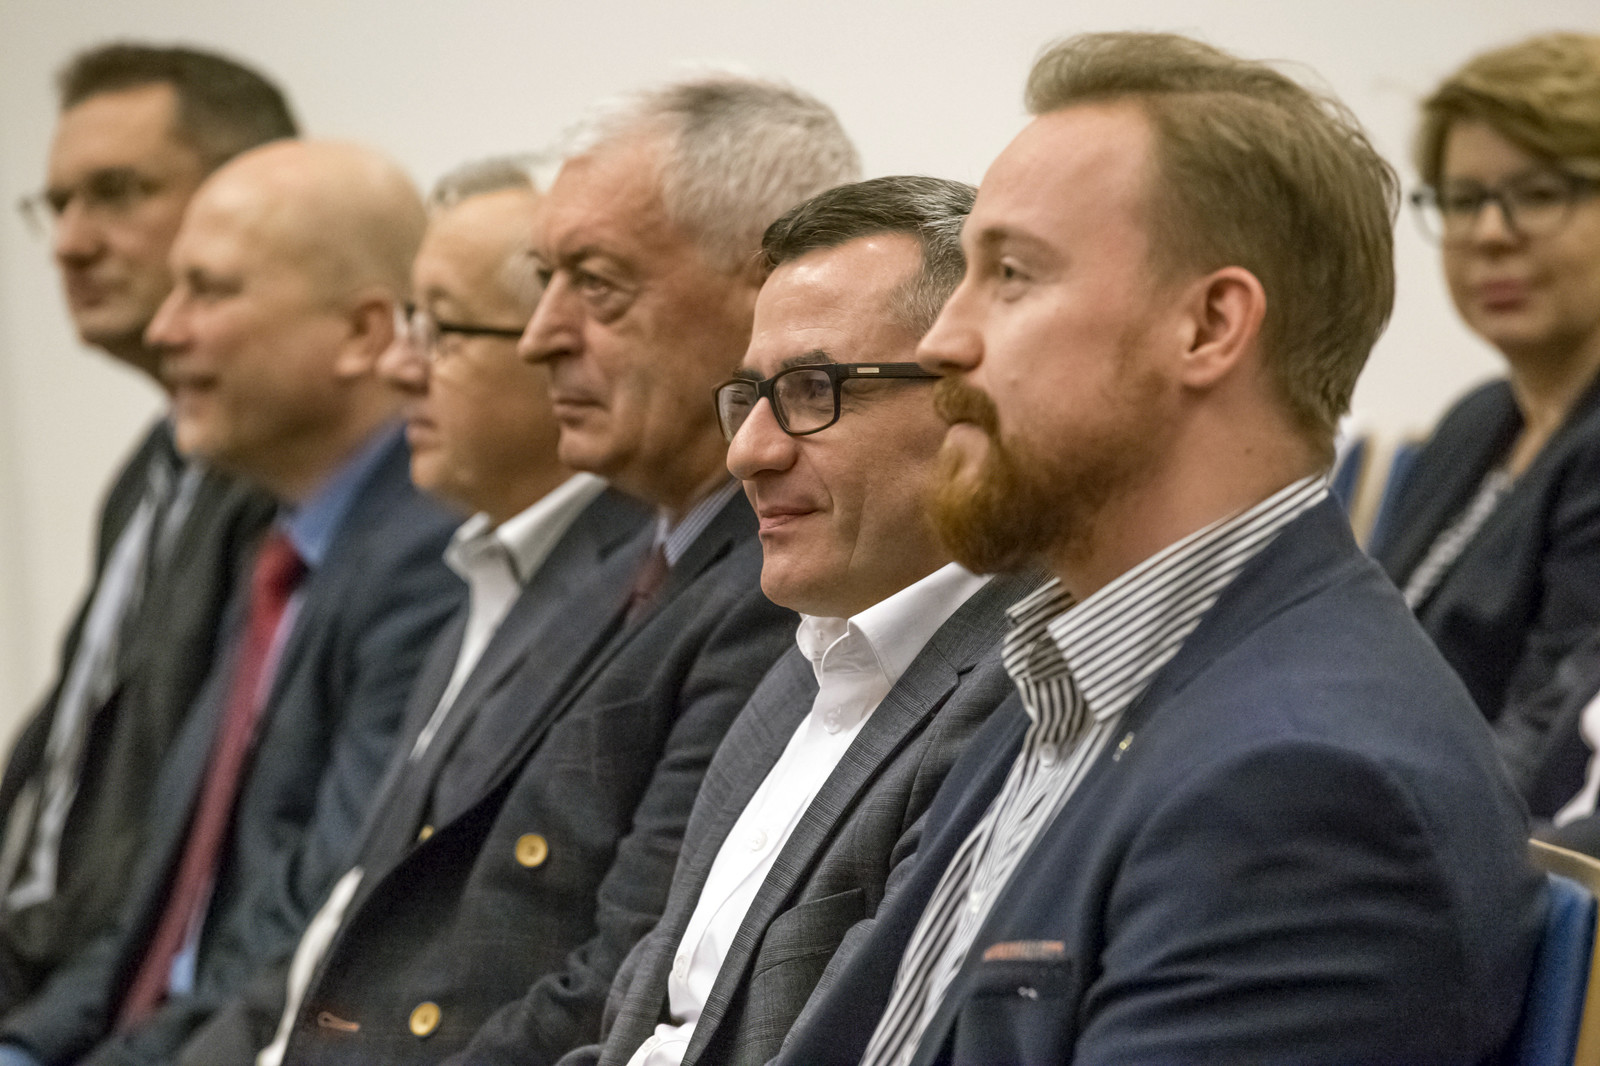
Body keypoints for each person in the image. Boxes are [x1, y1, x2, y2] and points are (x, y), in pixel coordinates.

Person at [777, 32, 1544, 1066]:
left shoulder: (1304, 788)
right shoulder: (1073, 675)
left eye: (1011, 275)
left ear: (1210, 326)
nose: (943, 343)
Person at [212, 75, 855, 1066]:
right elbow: (368, 916)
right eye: (545, 280)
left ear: (760, 290)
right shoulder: (613, 572)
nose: (544, 333)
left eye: (595, 285)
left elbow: (612, 987)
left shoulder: (774, 595)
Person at [174, 155, 649, 1066]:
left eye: (440, 330)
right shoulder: (481, 564)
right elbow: (339, 917)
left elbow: (555, 973)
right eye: (407, 325)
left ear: (554, 349)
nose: (400, 366)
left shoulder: (634, 590)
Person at [0, 140, 464, 1066]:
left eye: (208, 292)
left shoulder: (429, 559)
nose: (166, 328)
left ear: (364, 334)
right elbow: (150, 914)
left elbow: (311, 924)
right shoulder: (273, 545)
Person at [567, 176, 1039, 1066]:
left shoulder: (1027, 688)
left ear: (973, 398)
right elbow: (641, 1034)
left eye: (813, 390)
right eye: (749, 396)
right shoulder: (805, 665)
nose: (748, 451)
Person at [0, 43, 296, 1009]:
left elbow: (189, 844)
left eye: (116, 193)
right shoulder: (148, 473)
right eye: (58, 204)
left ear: (245, 199)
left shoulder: (286, 484)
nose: (70, 243)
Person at [1371, 33, 1600, 734]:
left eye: (1539, 194)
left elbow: (1549, 740)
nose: (1490, 233)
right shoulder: (1476, 418)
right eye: (1465, 200)